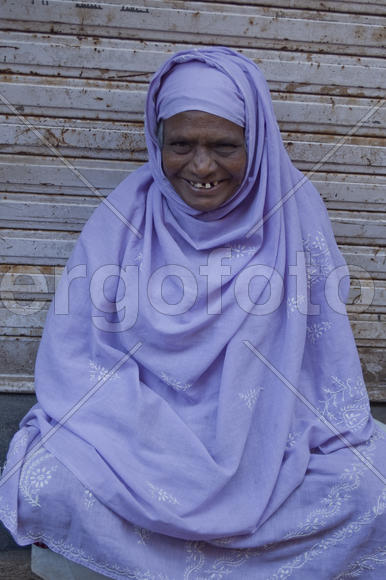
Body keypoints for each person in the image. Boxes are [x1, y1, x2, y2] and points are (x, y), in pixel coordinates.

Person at [1, 46, 385, 579]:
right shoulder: (124, 214)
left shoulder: (293, 211)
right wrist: (155, 439)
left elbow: (325, 363)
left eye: (224, 145)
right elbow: (77, 353)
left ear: (257, 142)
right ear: (157, 142)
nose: (201, 167)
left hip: (268, 440)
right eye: (180, 145)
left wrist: (257, 448)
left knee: (369, 487)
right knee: (45, 480)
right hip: (138, 432)